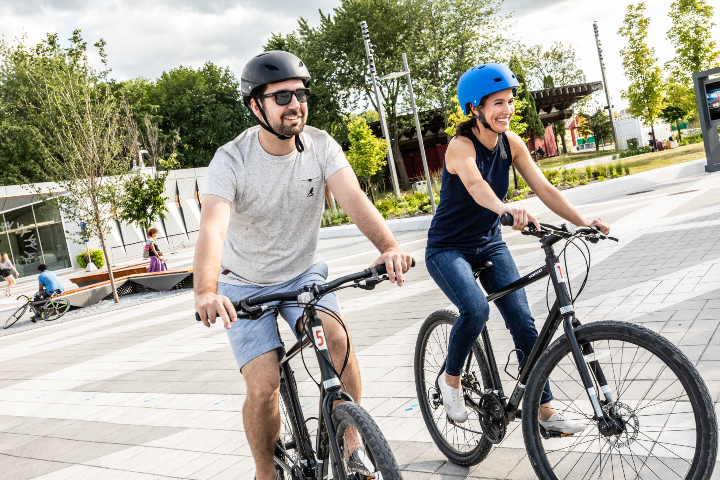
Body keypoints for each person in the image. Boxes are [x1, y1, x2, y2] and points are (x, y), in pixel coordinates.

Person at [193, 50, 412, 480]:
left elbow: (354, 199)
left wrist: (388, 246)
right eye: (281, 97)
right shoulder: (231, 159)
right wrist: (205, 289)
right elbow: (213, 228)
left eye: (300, 94)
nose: (295, 104)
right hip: (243, 284)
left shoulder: (321, 145)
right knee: (263, 385)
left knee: (336, 338)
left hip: (302, 273)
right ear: (256, 106)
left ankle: (351, 451)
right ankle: (266, 472)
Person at [425, 63, 610, 434]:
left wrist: (582, 221)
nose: (506, 109)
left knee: (524, 322)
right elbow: (477, 187)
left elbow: (545, 189)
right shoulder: (460, 147)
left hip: (489, 243)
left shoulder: (512, 143)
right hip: (447, 248)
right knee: (475, 309)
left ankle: (545, 413)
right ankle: (451, 380)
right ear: (474, 108)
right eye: (497, 103)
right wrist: (504, 208)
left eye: (509, 101)